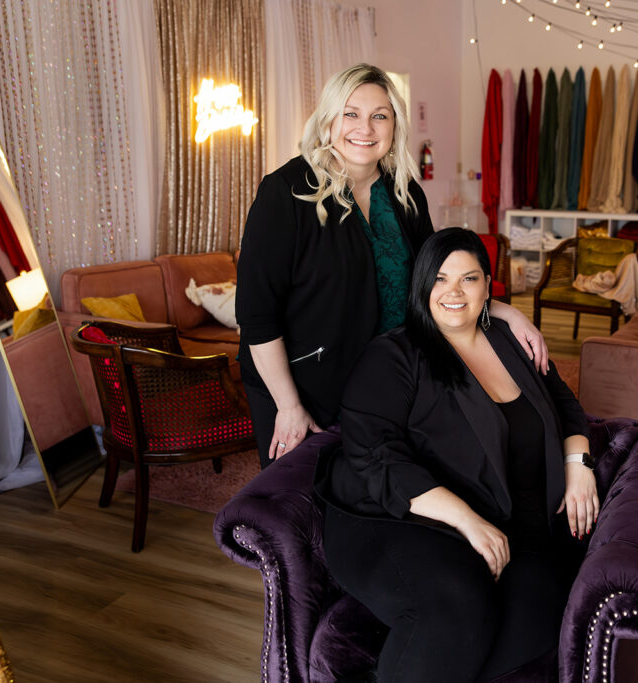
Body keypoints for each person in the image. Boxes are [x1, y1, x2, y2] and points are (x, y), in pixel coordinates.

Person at [315, 228, 599, 682]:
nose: (453, 292)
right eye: (440, 278)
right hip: (395, 517)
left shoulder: (511, 341)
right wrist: (469, 520)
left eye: (468, 279)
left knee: (540, 617)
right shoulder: (395, 355)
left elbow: (564, 403)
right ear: (422, 284)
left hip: (517, 525)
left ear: (488, 286)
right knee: (459, 608)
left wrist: (578, 464)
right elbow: (372, 455)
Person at [236, 64, 548, 467]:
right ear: (328, 119)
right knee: (304, 506)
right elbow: (257, 317)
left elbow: (432, 281)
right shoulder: (286, 192)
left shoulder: (405, 193)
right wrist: (289, 404)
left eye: (379, 116)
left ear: (394, 126)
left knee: (386, 494)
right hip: (305, 386)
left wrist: (504, 311)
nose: (365, 128)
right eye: (351, 113)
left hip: (391, 377)